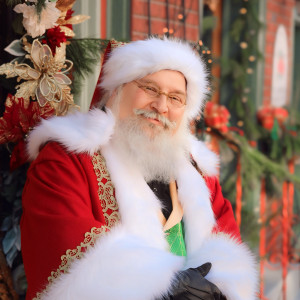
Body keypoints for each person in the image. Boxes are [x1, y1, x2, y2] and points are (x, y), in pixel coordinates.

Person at [21, 38, 257, 300]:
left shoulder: (199, 175)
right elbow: (61, 250)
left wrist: (220, 288)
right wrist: (164, 285)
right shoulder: (67, 160)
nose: (161, 106)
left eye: (176, 98)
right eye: (150, 88)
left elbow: (230, 255)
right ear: (117, 90)